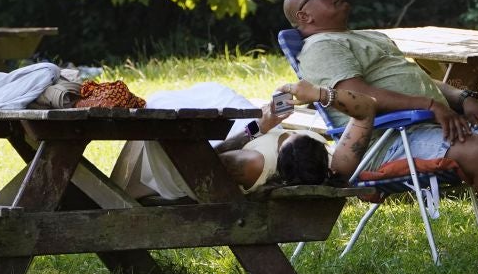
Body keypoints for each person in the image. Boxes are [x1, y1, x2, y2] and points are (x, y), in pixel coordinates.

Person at [281, 0, 478, 259]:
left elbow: (419, 81)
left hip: (423, 126)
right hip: (385, 141)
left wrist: (462, 99)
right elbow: (358, 96)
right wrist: (429, 105)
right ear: (304, 16)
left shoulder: (367, 37)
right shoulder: (322, 47)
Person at [110, 82, 332, 202]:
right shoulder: (317, 152)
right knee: (216, 92)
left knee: (165, 112)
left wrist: (260, 127)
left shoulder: (254, 164)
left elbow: (206, 161)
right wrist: (280, 101)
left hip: (188, 162)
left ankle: (126, 190)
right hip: (238, 129)